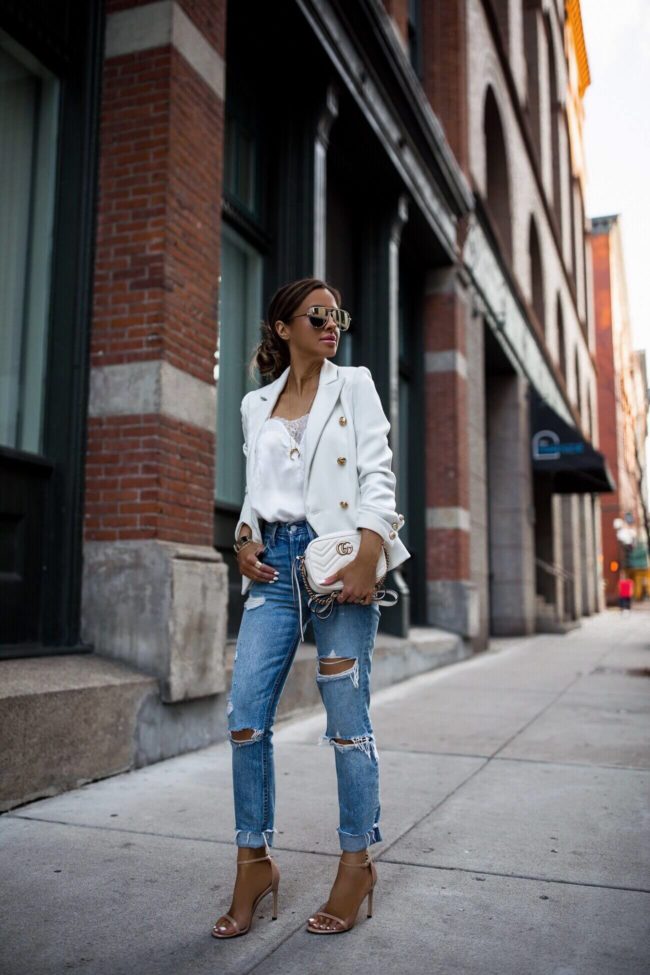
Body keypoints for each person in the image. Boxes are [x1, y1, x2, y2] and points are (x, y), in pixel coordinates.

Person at [211, 278, 410, 939]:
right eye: (315, 315)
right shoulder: (255, 404)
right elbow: (255, 495)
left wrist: (368, 554)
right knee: (244, 713)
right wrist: (242, 539)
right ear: (282, 327)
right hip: (273, 571)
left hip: (338, 561)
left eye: (336, 315)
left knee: (347, 719)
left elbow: (379, 473)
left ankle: (357, 863)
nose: (331, 324)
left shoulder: (354, 385)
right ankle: (253, 861)